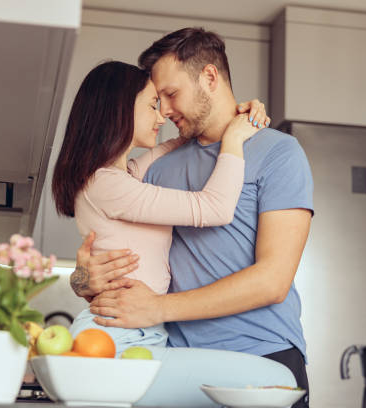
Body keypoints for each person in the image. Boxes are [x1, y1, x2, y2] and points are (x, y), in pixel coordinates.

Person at [72, 28, 314, 408]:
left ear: (210, 77)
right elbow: (119, 243)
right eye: (157, 100)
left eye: (171, 94)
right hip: (171, 363)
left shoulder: (277, 152)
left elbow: (273, 281)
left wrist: (158, 308)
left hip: (262, 354)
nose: (164, 111)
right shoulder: (154, 164)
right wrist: (83, 278)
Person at [51, 60, 267, 355]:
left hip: (137, 327)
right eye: (153, 105)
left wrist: (236, 114)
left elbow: (177, 143)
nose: (162, 117)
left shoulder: (123, 175)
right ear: (121, 109)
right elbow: (216, 208)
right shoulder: (107, 185)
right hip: (117, 329)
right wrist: (234, 137)